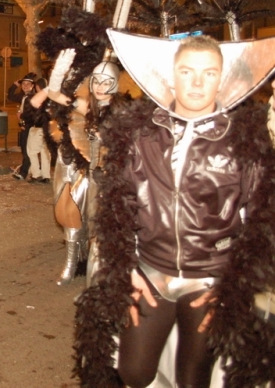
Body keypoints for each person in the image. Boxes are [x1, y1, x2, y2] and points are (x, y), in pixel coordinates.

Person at [75, 35, 275, 387]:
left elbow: (260, 218)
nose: (197, 82)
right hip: (152, 270)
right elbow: (116, 207)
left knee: (192, 378)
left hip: (211, 276)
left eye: (209, 73)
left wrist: (235, 283)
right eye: (187, 71)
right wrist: (125, 268)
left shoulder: (243, 141)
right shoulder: (140, 135)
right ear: (173, 75)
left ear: (221, 78)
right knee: (133, 373)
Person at [37, 48, 122, 285]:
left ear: (115, 84)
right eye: (97, 81)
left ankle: (110, 281)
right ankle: (78, 268)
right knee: (73, 213)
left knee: (108, 230)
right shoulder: (87, 106)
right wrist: (58, 73)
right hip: (92, 173)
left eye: (107, 82)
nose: (100, 87)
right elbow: (54, 95)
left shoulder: (122, 112)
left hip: (114, 179)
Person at [7, 73, 37, 180]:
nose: (25, 86)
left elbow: (31, 114)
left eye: (28, 84)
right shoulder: (23, 96)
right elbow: (10, 96)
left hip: (30, 127)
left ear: (32, 86)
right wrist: (15, 85)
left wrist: (22, 119)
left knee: (27, 150)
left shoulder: (33, 97)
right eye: (23, 84)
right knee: (25, 149)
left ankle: (24, 173)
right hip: (24, 126)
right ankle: (29, 171)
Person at [23, 77, 51, 184]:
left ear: (37, 87)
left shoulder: (36, 99)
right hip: (48, 129)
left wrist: (22, 116)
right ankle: (46, 175)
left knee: (32, 152)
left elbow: (30, 115)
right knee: (45, 152)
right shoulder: (51, 98)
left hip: (37, 128)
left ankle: (36, 174)